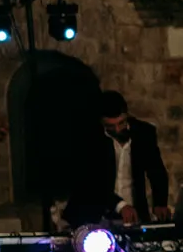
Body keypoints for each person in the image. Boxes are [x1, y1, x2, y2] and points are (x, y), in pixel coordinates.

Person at [66, 90, 171, 228]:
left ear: (127, 115)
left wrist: (160, 203)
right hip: (95, 215)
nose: (117, 130)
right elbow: (91, 182)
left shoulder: (144, 133)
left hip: (133, 216)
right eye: (110, 126)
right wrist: (120, 205)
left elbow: (156, 170)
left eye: (121, 123)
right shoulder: (88, 137)